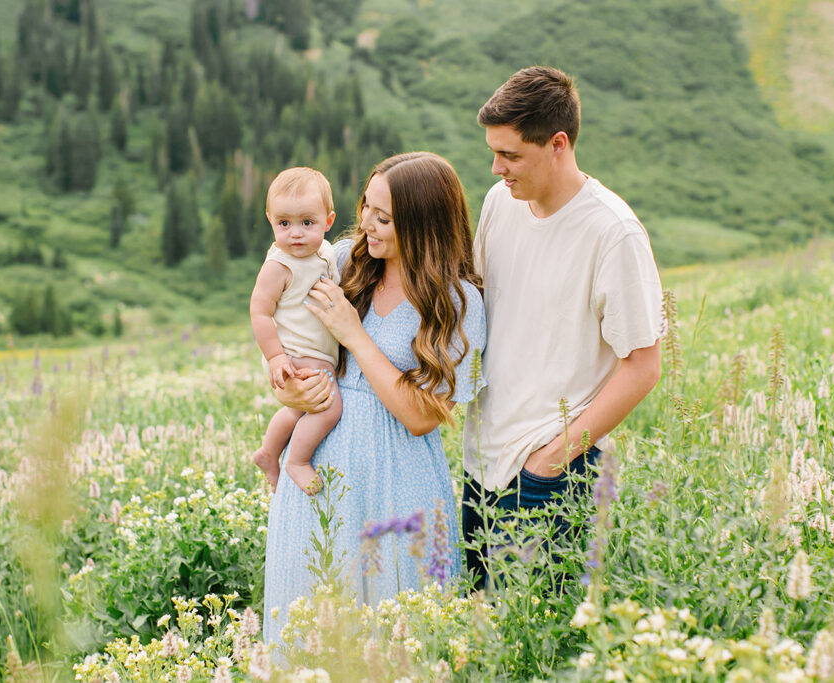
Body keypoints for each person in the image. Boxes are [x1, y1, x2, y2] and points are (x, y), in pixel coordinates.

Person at [263, 152, 486, 645]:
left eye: (383, 217)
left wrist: (354, 335)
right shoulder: (341, 261)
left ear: (423, 224)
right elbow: (284, 336)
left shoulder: (457, 302)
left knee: (400, 630)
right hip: (321, 468)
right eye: (367, 205)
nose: (365, 222)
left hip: (399, 477)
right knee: (312, 622)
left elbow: (421, 416)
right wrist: (288, 383)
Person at [462, 66, 665, 590]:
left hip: (548, 476)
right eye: (493, 152)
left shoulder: (613, 232)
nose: (495, 168)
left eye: (509, 155)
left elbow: (643, 366)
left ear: (557, 144)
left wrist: (554, 459)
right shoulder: (498, 206)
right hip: (479, 464)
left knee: (540, 646)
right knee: (479, 637)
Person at [250, 167, 343, 495]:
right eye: (284, 224)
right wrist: (275, 357)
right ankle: (297, 461)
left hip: (316, 352)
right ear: (270, 219)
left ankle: (268, 452)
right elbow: (260, 311)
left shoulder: (328, 251)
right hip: (298, 353)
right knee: (329, 407)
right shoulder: (279, 266)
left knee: (296, 408)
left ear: (328, 221)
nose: (296, 234)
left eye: (308, 223)